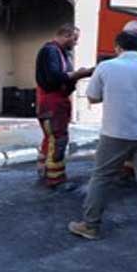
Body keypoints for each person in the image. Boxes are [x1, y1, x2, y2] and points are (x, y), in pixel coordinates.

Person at [68, 29, 137, 248]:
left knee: (101, 178)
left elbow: (93, 97)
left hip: (115, 132)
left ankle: (91, 225)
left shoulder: (106, 67)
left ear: (117, 47)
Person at [34, 24, 93, 190]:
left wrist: (76, 76)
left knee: (51, 137)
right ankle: (55, 179)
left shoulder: (59, 52)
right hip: (52, 103)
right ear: (66, 35)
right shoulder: (51, 51)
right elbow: (54, 77)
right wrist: (80, 74)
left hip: (53, 102)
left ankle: (45, 170)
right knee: (58, 139)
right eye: (74, 39)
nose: (75, 43)